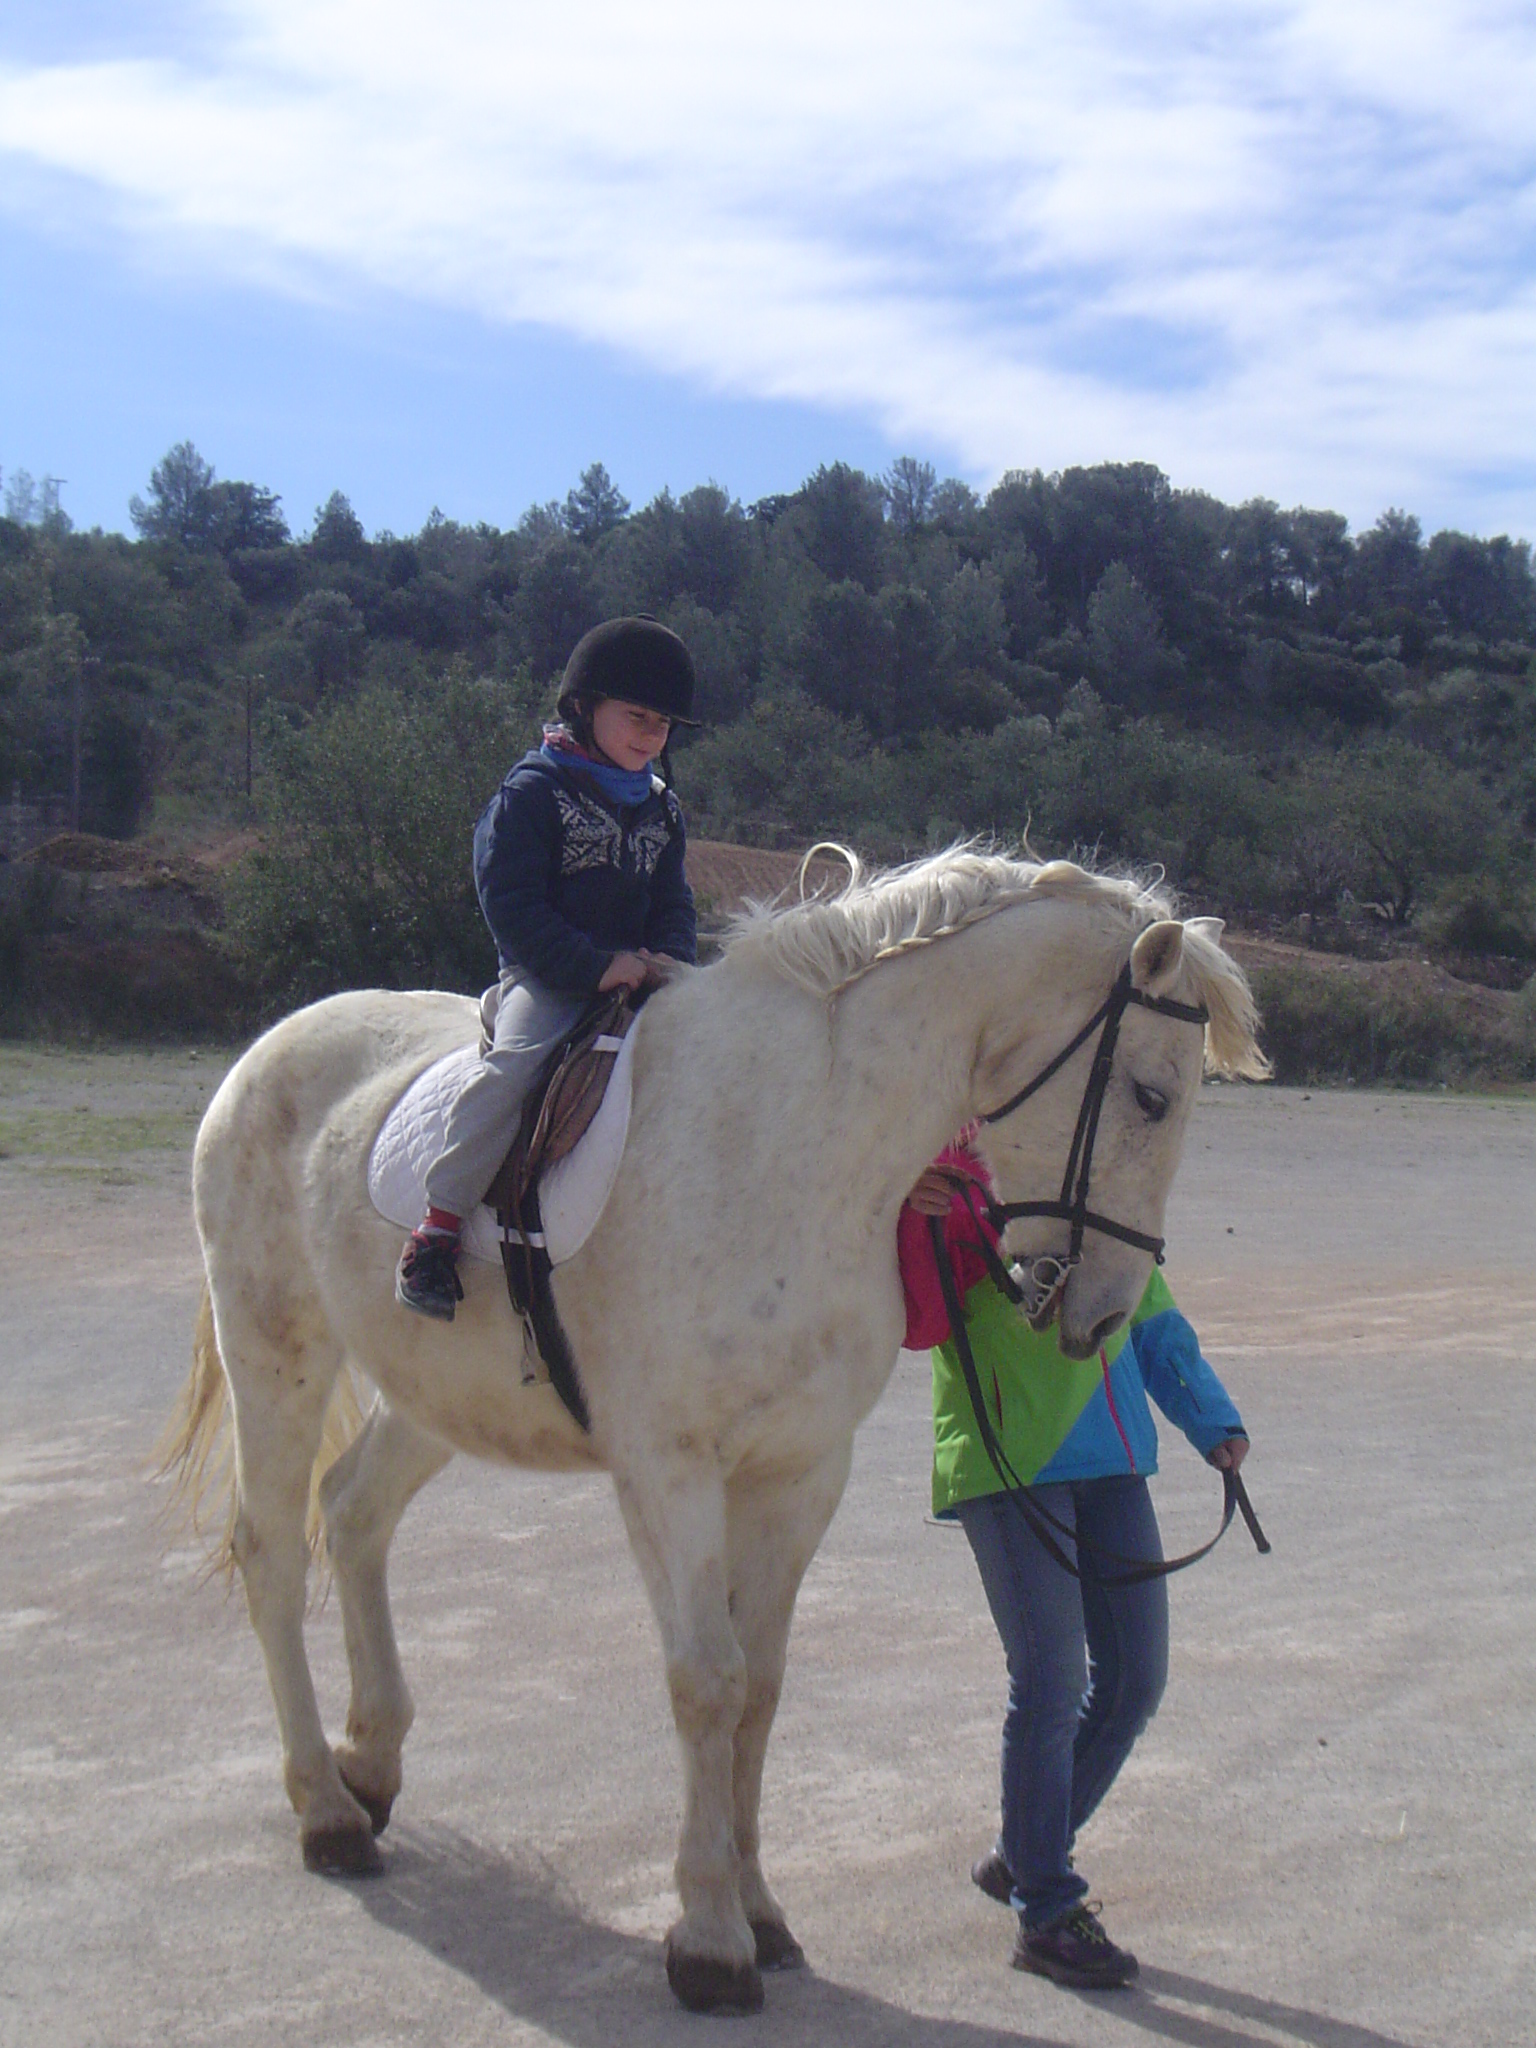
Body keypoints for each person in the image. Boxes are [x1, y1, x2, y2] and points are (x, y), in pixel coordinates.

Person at [900, 1143, 1250, 1991]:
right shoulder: (943, 1167)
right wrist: (911, 1209)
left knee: (1134, 1680)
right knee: (1053, 1682)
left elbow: (1150, 1312)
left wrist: (1211, 1419)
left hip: (1113, 1461)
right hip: (1010, 1460)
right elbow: (921, 1323)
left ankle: (1025, 1854)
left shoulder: (1093, 1173)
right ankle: (1047, 1909)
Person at [395, 615, 699, 1320]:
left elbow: (673, 901)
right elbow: (512, 906)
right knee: (517, 1067)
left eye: (663, 723)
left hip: (646, 976)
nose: (652, 734)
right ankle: (437, 1228)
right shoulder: (530, 794)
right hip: (551, 976)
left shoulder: (663, 808)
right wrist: (594, 967)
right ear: (585, 707)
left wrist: (671, 960)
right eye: (637, 716)